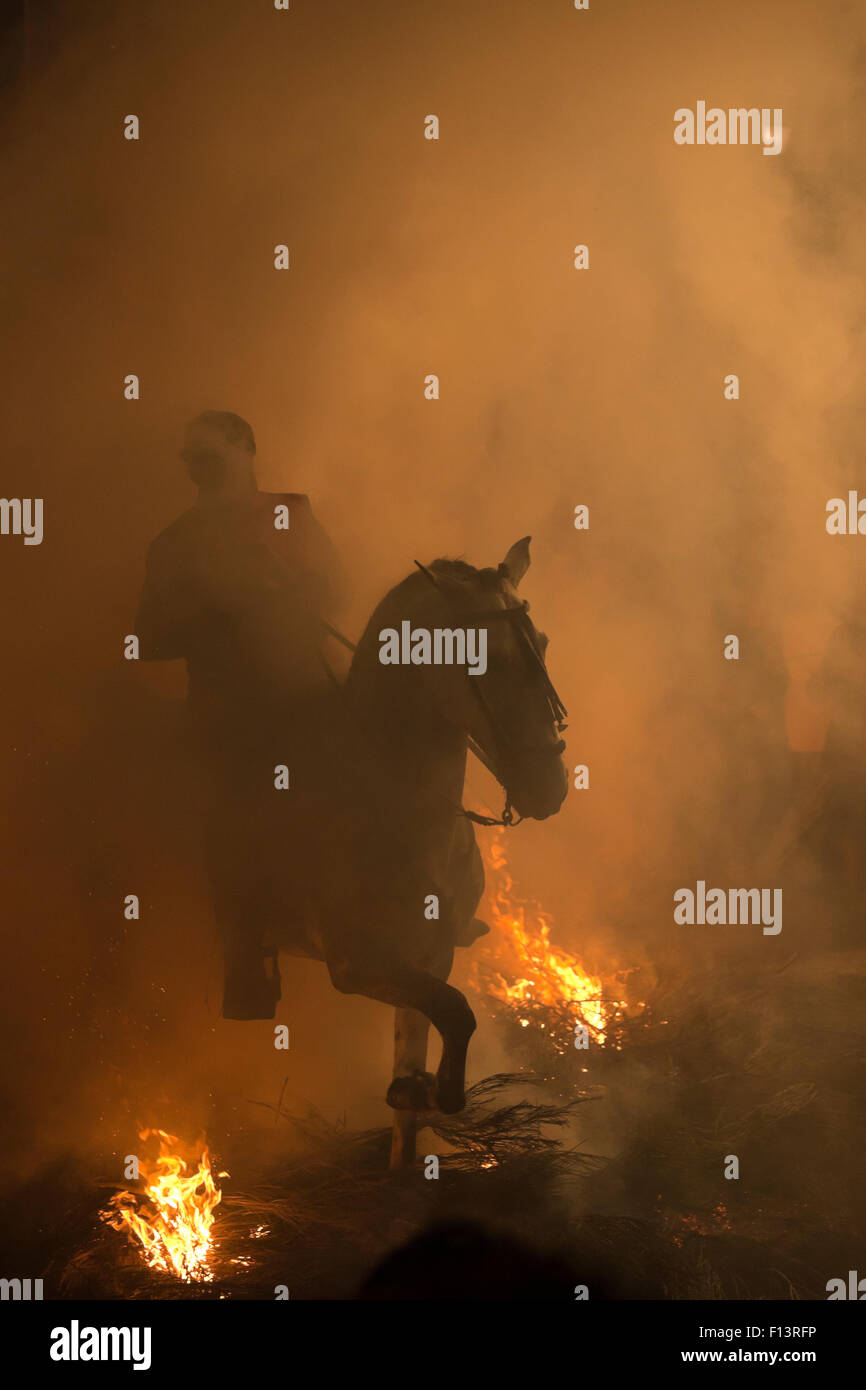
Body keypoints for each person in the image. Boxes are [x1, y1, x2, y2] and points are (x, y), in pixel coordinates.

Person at [135, 410, 344, 1017]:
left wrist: (299, 598)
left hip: (311, 696)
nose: (199, 468)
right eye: (191, 459)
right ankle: (246, 959)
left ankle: (429, 901)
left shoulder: (291, 515)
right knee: (234, 820)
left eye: (211, 455)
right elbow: (146, 635)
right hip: (232, 717)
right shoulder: (175, 543)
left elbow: (336, 587)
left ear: (248, 449)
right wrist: (221, 615)